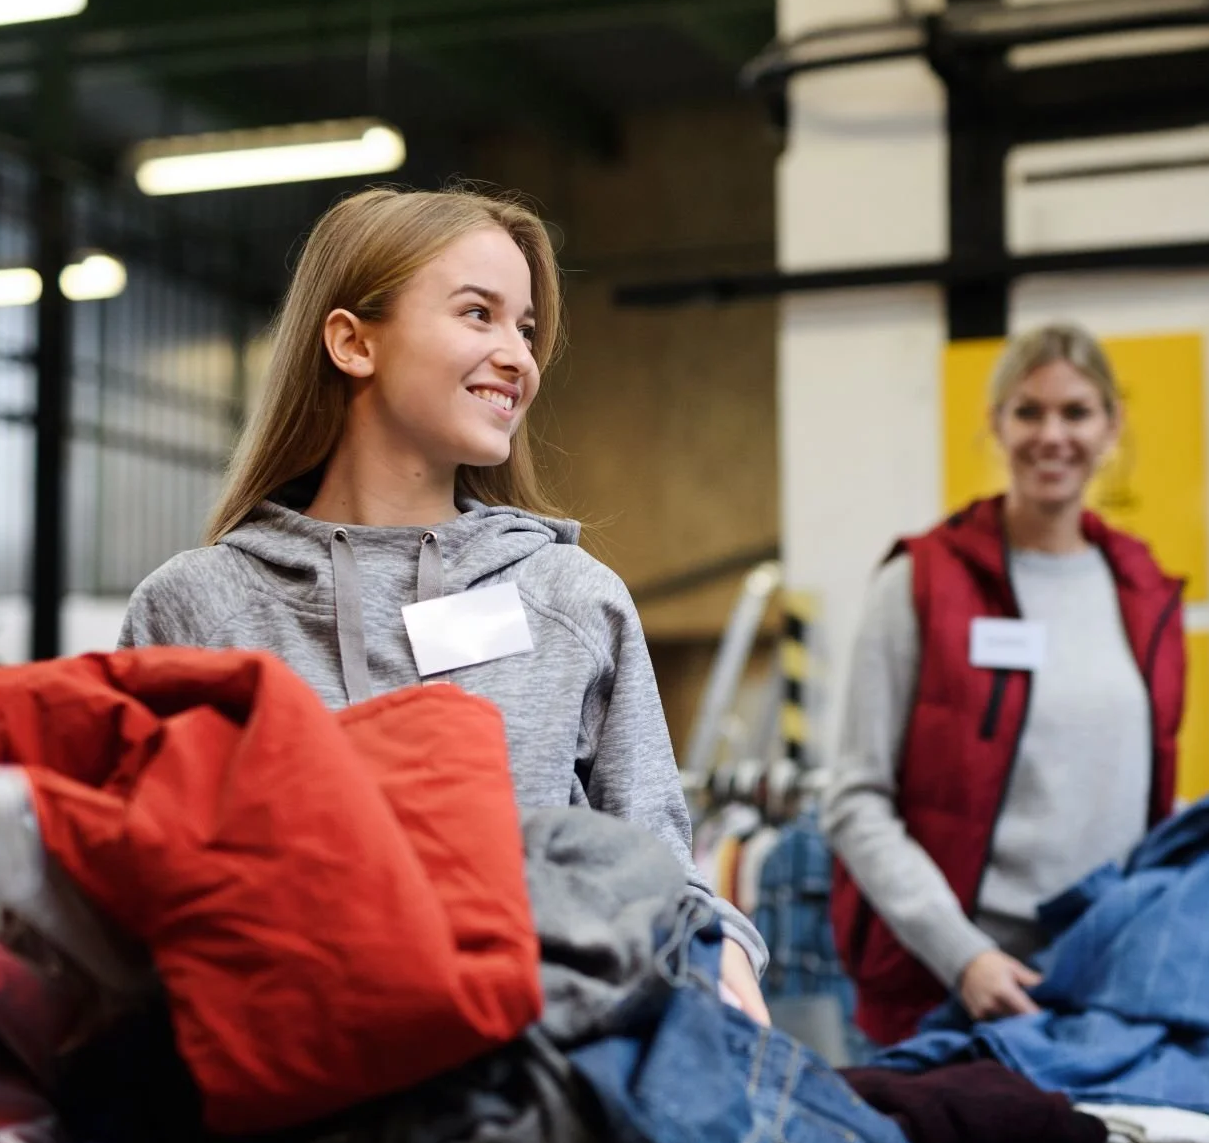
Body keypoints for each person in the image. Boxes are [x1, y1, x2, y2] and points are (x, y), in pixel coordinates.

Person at [118, 185, 769, 1024]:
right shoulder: (195, 612)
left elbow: (655, 864)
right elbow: (142, 886)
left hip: (538, 1088)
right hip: (286, 1091)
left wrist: (723, 958)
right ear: (353, 343)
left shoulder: (569, 598)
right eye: (478, 314)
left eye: (526, 329)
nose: (519, 357)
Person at [825, 323, 1187, 1046]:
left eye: (1076, 412)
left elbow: (1149, 794)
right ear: (996, 423)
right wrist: (965, 957)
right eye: (1029, 411)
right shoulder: (921, 582)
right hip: (944, 992)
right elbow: (855, 801)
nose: (1052, 435)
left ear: (1111, 426)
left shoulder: (1145, 592)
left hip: (1098, 987)